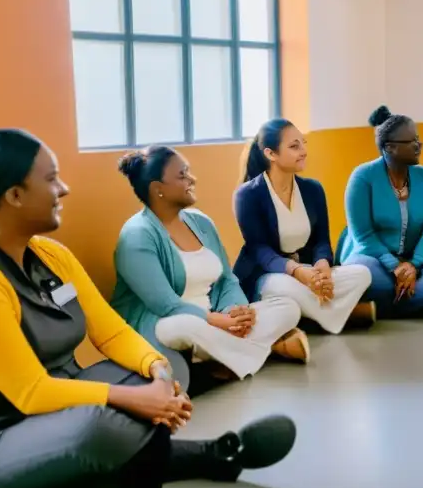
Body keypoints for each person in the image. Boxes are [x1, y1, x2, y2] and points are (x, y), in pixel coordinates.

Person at [0, 129, 295, 488]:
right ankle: (212, 455)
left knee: (157, 375)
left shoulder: (51, 255)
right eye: (50, 179)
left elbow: (111, 333)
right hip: (0, 436)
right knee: (99, 427)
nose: (63, 189)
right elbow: (30, 393)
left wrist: (158, 371)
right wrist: (133, 400)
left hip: (67, 400)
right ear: (14, 195)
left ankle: (155, 458)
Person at [112, 146, 307, 384]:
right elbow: (165, 304)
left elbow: (227, 279)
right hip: (165, 323)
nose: (192, 179)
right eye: (182, 175)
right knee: (183, 327)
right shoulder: (137, 235)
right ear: (158, 189)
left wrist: (235, 311)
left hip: (216, 319)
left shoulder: (201, 222)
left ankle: (223, 359)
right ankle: (269, 349)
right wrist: (217, 321)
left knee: (287, 307)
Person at [233, 119, 373, 334]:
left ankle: (310, 316)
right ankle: (332, 317)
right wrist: (297, 272)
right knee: (285, 287)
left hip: (308, 272)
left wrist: (323, 266)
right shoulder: (248, 195)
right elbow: (259, 250)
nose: (304, 151)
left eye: (303, 143)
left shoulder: (313, 189)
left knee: (362, 273)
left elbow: (321, 240)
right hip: (269, 275)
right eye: (294, 146)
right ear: (271, 154)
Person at [338, 106, 423, 316]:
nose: (419, 145)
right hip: (374, 261)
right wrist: (396, 267)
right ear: (389, 147)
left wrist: (413, 265)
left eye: (418, 139)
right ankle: (421, 302)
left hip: (418, 262)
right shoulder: (362, 177)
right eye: (412, 141)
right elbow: (364, 236)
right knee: (360, 272)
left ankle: (385, 307)